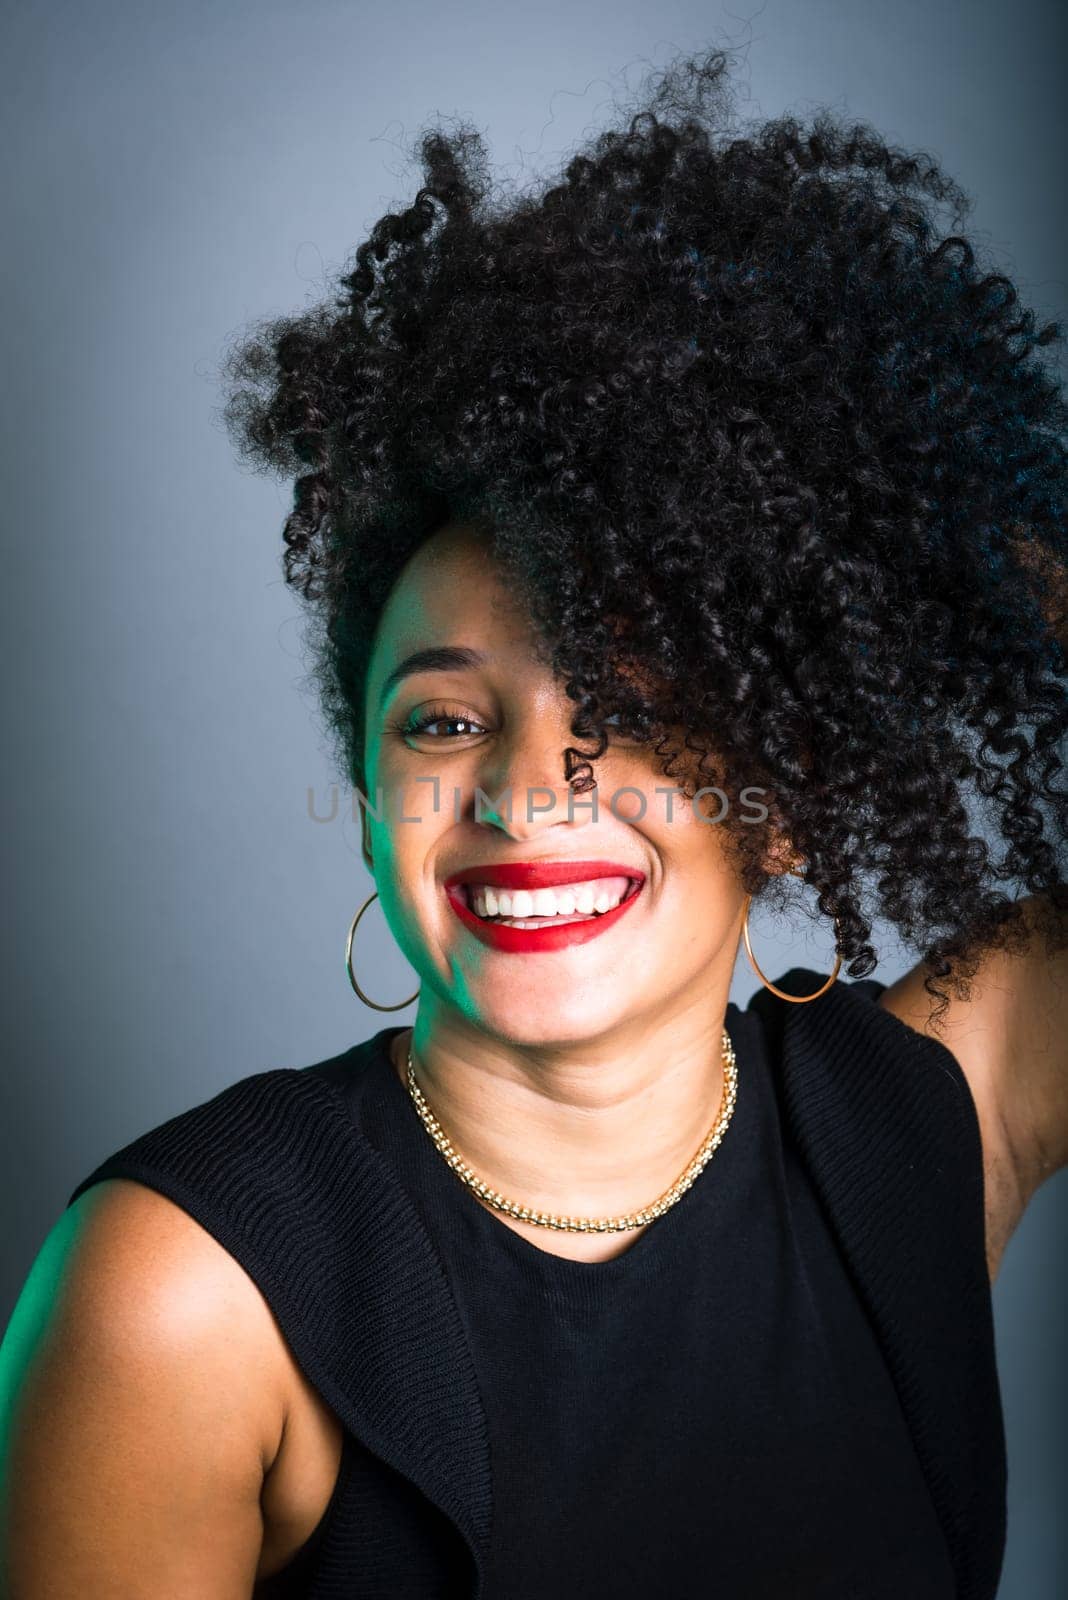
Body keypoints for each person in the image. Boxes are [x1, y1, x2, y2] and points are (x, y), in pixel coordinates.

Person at [2, 47, 1067, 1600]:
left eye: (626, 710)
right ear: (372, 789)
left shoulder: (927, 1120)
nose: (517, 795)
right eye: (444, 720)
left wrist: (957, 553)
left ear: (788, 788)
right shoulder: (181, 1292)